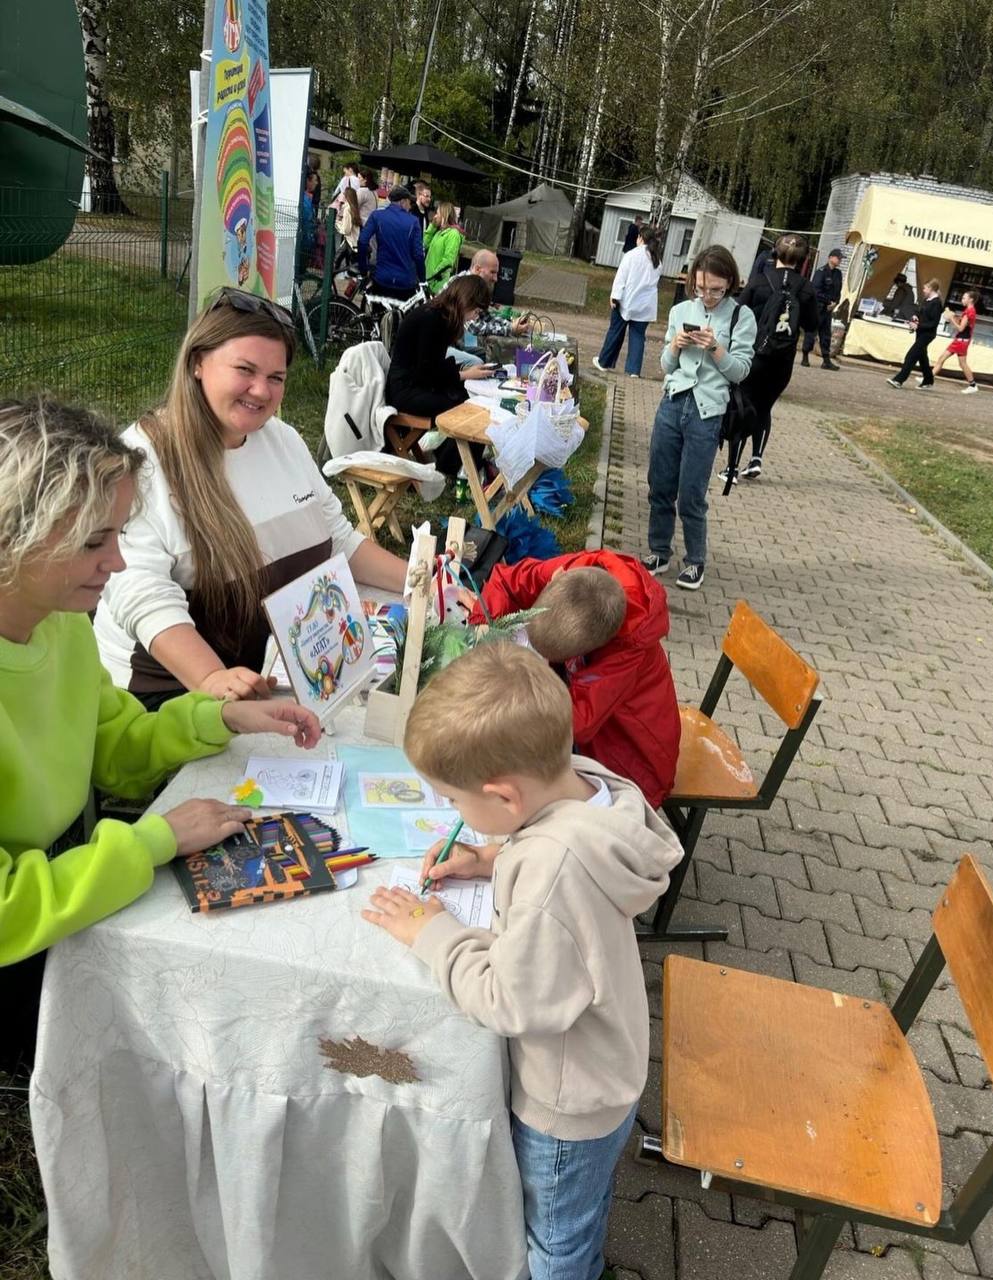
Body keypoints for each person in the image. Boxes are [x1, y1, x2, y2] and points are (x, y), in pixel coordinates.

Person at [0, 397, 322, 1070]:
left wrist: (217, 714)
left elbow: (114, 752)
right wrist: (155, 840)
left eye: (118, 534)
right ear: (13, 535)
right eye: (94, 541)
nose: (117, 563)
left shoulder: (60, 623)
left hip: (68, 874)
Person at [363, 642, 681, 1280]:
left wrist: (433, 932)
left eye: (453, 802)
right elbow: (555, 858)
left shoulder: (551, 872)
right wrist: (490, 858)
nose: (455, 816)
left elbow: (509, 1002)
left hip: (567, 1102)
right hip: (609, 1066)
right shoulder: (591, 789)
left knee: (554, 1238)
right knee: (583, 1212)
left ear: (504, 798)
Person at [93, 289, 407, 707]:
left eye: (276, 378)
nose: (261, 391)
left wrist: (424, 583)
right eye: (245, 370)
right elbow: (144, 601)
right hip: (167, 702)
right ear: (197, 363)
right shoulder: (143, 460)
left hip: (269, 676)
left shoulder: (285, 441)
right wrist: (214, 682)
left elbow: (341, 542)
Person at [470, 552, 679, 807]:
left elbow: (576, 722)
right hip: (592, 721)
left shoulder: (626, 651)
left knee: (535, 792)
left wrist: (520, 684)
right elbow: (505, 580)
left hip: (629, 754)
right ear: (555, 579)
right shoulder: (575, 575)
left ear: (594, 650)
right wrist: (484, 628)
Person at [643, 244, 756, 591]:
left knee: (691, 492)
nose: (707, 296)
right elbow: (664, 366)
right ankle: (659, 551)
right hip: (672, 404)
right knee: (659, 483)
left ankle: (695, 561)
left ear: (731, 284)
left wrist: (714, 348)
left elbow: (740, 371)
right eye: (701, 288)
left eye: (716, 290)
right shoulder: (680, 310)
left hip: (707, 412)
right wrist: (675, 345)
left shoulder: (741, 316)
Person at [726, 232, 819, 483]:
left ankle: (731, 468)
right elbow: (812, 324)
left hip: (756, 354)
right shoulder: (806, 288)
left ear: (774, 254)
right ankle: (756, 457)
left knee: (744, 405)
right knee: (765, 406)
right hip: (784, 361)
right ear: (803, 260)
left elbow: (737, 312)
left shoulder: (759, 281)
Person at [385, 274, 494, 474]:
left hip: (416, 384)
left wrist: (464, 373)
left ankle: (455, 463)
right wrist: (464, 375)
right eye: (476, 311)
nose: (475, 317)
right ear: (465, 301)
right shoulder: (432, 319)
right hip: (406, 391)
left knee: (470, 402)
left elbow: (432, 366)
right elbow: (426, 372)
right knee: (466, 411)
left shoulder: (439, 316)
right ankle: (452, 467)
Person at [592, 225, 662, 378]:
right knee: (637, 337)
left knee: (615, 331)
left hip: (627, 301)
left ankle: (605, 362)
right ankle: (633, 371)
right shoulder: (657, 261)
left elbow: (621, 278)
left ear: (641, 238)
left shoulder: (631, 255)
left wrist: (615, 296)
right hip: (645, 306)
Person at [357, 183, 425, 299]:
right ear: (402, 201)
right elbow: (418, 254)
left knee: (377, 315)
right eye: (409, 202)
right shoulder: (414, 222)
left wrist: (363, 269)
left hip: (382, 278)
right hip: (405, 282)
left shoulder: (377, 216)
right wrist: (422, 279)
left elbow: (362, 241)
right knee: (403, 316)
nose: (410, 206)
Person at [446, 249, 531, 341]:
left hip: (460, 335)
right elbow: (473, 328)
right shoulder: (463, 286)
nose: (495, 279)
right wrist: (510, 329)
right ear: (478, 269)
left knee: (480, 348)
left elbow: (486, 317)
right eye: (492, 272)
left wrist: (511, 324)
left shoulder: (477, 287)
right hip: (448, 340)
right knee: (480, 352)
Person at [885, 278, 944, 391]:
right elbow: (921, 313)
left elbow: (933, 323)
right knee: (922, 358)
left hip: (927, 334)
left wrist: (918, 326)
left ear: (931, 289)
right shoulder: (927, 300)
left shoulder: (936, 303)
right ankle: (928, 380)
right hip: (921, 333)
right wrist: (915, 317)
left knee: (911, 356)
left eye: (925, 288)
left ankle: (899, 380)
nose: (923, 290)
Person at [800, 248, 843, 370]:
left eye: (840, 258)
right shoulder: (821, 272)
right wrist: (828, 301)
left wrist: (835, 303)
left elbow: (838, 291)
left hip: (829, 309)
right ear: (830, 258)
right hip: (818, 308)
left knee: (826, 335)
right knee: (811, 332)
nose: (839, 260)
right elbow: (815, 291)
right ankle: (805, 356)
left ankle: (826, 360)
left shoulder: (838, 274)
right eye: (838, 257)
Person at [931, 290, 979, 393]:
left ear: (971, 299)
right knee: (953, 361)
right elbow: (964, 325)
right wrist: (954, 317)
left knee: (957, 362)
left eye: (964, 298)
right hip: (962, 340)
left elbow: (960, 328)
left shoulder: (968, 312)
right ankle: (928, 378)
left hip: (961, 340)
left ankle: (973, 385)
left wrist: (951, 319)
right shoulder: (970, 311)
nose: (962, 300)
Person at [423, 201, 465, 291]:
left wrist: (431, 276)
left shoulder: (453, 234)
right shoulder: (438, 232)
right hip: (428, 282)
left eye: (437, 213)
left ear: (444, 215)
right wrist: (432, 227)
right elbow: (424, 244)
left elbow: (448, 261)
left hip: (438, 285)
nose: (435, 216)